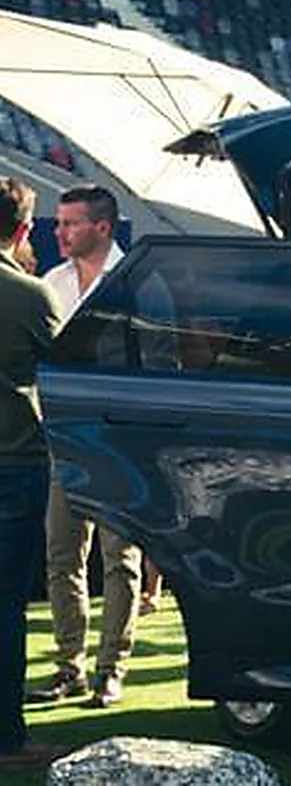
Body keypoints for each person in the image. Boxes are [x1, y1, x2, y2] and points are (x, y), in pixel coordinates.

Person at [26, 186, 141, 710]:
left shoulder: (136, 281)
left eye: (70, 224)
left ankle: (110, 670)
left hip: (120, 439)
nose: (59, 232)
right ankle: (68, 666)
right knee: (62, 555)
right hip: (66, 439)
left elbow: (158, 362)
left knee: (122, 559)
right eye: (59, 223)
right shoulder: (52, 282)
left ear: (102, 227)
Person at [0, 178, 64, 765]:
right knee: (5, 606)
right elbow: (71, 372)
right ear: (22, 229)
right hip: (13, 461)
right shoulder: (30, 295)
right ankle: (7, 738)